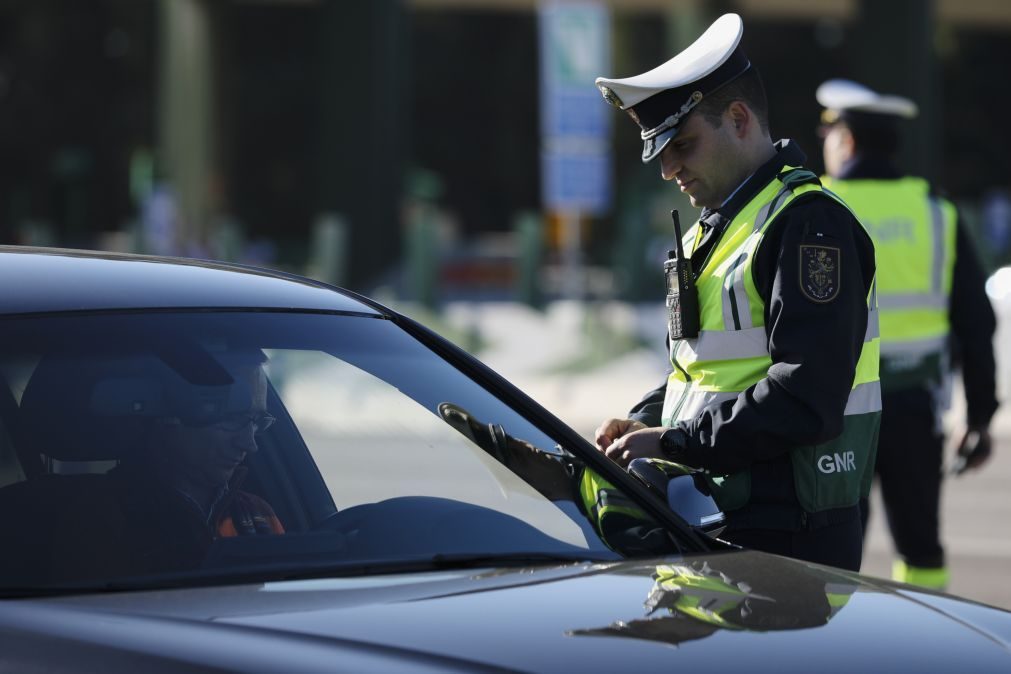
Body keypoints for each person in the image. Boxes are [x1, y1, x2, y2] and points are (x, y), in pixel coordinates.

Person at [592, 14, 881, 572]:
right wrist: (645, 420)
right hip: (726, 513)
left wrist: (674, 444)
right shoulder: (722, 225)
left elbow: (805, 396)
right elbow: (706, 369)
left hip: (789, 528)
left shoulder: (807, 225)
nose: (669, 168)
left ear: (740, 119)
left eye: (683, 144)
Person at [816, 79, 999, 589]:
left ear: (846, 141)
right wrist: (981, 415)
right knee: (920, 547)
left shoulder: (816, 208)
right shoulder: (936, 212)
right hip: (915, 409)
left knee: (829, 552)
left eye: (827, 132)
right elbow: (976, 320)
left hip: (835, 413)